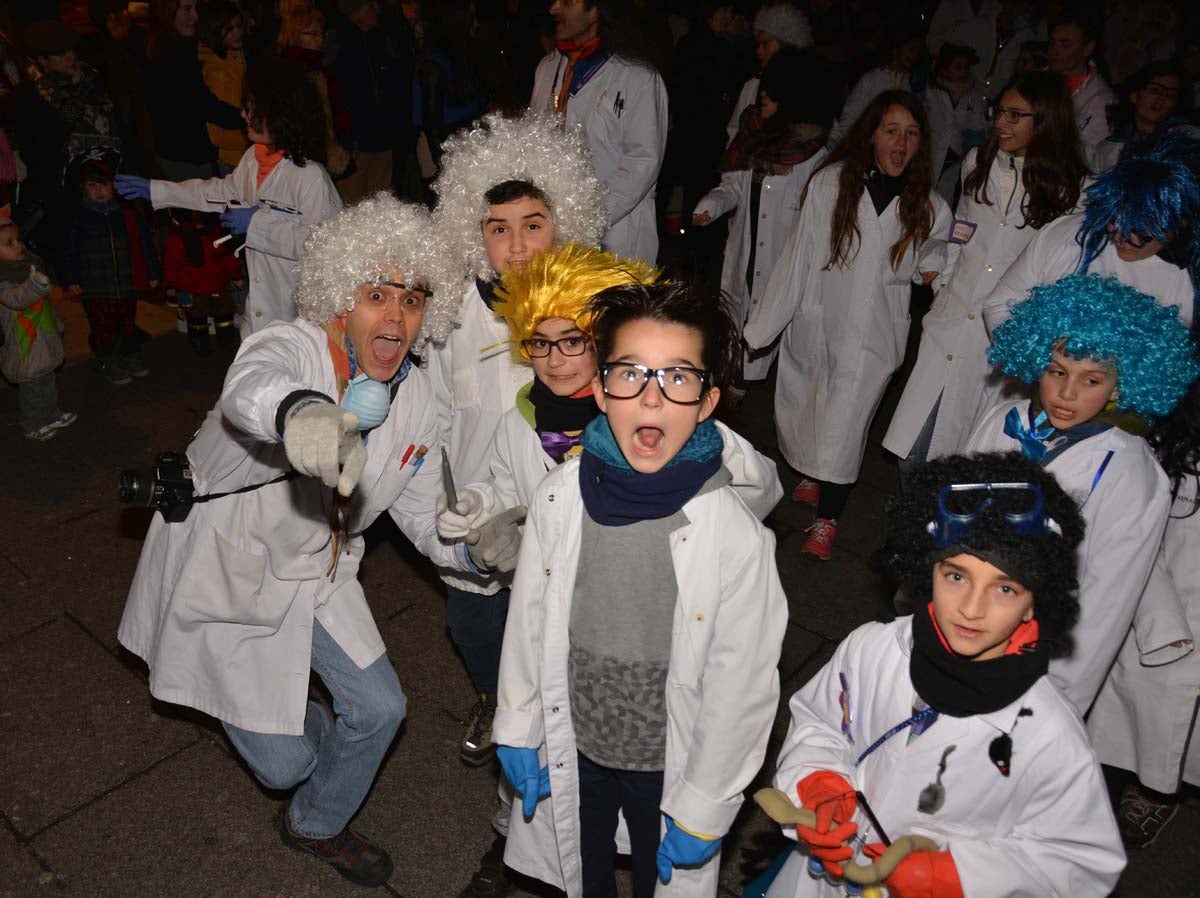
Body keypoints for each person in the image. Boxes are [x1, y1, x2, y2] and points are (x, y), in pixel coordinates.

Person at [117, 193, 470, 888]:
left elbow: (429, 521)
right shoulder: (294, 347)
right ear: (341, 301)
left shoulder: (421, 397)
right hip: (232, 571)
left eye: (413, 298)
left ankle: (314, 824)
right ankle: (277, 715)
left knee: (380, 710)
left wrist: (478, 552)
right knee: (290, 763)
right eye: (376, 294)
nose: (396, 315)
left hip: (323, 568)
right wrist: (302, 413)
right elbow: (253, 381)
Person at [493, 280, 789, 898]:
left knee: (660, 876)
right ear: (600, 387)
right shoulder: (561, 494)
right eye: (630, 374)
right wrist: (519, 722)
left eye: (678, 379)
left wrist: (708, 802)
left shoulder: (735, 539)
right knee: (584, 862)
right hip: (578, 734)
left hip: (666, 757)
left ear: (709, 400)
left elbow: (744, 685)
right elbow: (529, 615)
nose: (651, 401)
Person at [761, 451, 1125, 898]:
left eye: (1005, 588)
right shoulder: (873, 648)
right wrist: (818, 784)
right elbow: (822, 723)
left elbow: (1080, 862)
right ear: (927, 568)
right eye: (956, 576)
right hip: (824, 880)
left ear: (1035, 601)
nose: (972, 609)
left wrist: (958, 879)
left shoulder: (1052, 736)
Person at [426, 110, 607, 771]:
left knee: (558, 629)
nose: (518, 244)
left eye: (534, 224)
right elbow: (430, 409)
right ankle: (488, 694)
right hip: (480, 505)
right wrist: (446, 500)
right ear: (474, 233)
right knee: (473, 622)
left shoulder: (596, 304)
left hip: (567, 505)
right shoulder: (447, 312)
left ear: (565, 221)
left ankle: (554, 715)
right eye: (498, 229)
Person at [965, 273, 1200, 715]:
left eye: (1092, 381)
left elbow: (1105, 605)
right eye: (1057, 372)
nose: (1067, 393)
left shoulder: (1132, 471)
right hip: (957, 622)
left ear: (1121, 386)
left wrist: (1055, 705)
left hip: (1032, 654)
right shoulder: (1003, 418)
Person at [744, 91, 952, 560]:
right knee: (809, 407)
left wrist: (934, 266)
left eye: (912, 133)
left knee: (846, 424)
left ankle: (828, 520)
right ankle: (814, 475)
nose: (901, 142)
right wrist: (761, 329)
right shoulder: (832, 184)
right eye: (892, 130)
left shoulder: (931, 206)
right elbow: (797, 259)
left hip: (876, 335)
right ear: (872, 134)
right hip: (818, 319)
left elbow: (937, 253)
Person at [885, 71, 1088, 467]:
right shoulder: (978, 162)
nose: (1000, 122)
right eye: (1000, 111)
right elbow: (961, 234)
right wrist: (943, 284)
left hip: (1003, 342)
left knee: (968, 457)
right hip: (950, 323)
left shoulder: (1075, 191)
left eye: (1016, 115)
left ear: (1045, 121)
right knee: (913, 455)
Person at [115, 62, 342, 335]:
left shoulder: (310, 177)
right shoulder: (253, 159)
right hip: (260, 308)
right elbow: (217, 192)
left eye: (252, 107)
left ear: (282, 114)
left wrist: (256, 225)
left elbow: (326, 247)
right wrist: (157, 190)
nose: (243, 114)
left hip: (300, 316)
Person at [1087, 376, 1200, 849]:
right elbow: (1134, 533)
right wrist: (1160, 618)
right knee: (1119, 735)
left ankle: (1163, 794)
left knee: (1184, 749)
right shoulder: (1169, 437)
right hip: (1163, 617)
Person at [692, 46, 829, 394]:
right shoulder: (753, 137)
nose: (763, 96)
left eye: (774, 90)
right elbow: (733, 185)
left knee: (767, 342)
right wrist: (713, 203)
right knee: (734, 331)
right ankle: (730, 392)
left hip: (782, 267)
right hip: (744, 257)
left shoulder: (815, 158)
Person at [982, 131, 1200, 337]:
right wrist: (1038, 365)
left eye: (1138, 230)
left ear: (1179, 224)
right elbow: (1001, 303)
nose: (1120, 237)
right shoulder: (1068, 233)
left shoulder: (1189, 281)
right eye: (1113, 219)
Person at [529, 0, 668, 265]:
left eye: (567, 2)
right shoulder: (547, 69)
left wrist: (584, 217)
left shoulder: (637, 77)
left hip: (615, 241)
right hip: (552, 240)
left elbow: (642, 162)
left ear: (595, 11)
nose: (553, 8)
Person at [63, 157, 161, 384]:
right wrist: (70, 279)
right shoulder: (79, 218)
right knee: (103, 326)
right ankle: (108, 359)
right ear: (83, 189)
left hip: (126, 283)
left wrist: (152, 273)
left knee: (127, 322)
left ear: (114, 185)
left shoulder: (127, 215)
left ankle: (129, 355)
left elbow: (145, 244)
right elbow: (68, 251)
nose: (99, 191)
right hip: (95, 285)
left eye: (103, 184)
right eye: (92, 185)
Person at [145, 0, 244, 181]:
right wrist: (248, 119)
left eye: (196, 8)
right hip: (184, 157)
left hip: (189, 154)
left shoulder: (183, 46)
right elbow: (203, 105)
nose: (195, 17)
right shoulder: (169, 54)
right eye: (187, 10)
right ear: (167, 13)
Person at [0, 210, 75, 441]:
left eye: (18, 239)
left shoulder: (28, 267)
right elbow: (17, 298)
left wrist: (57, 325)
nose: (18, 245)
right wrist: (35, 285)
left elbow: (45, 308)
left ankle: (51, 414)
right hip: (23, 342)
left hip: (42, 337)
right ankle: (32, 423)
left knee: (47, 380)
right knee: (31, 387)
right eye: (8, 243)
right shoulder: (3, 279)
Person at [275, 8, 354, 181]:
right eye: (312, 34)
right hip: (307, 154)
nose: (320, 39)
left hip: (319, 150)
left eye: (321, 33)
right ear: (294, 35)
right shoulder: (296, 71)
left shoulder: (318, 66)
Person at [723, 2, 813, 146]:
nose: (759, 51)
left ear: (786, 44)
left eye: (765, 44)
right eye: (758, 44)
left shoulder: (807, 87)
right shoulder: (752, 85)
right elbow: (734, 132)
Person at [826, 23, 924, 147]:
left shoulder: (912, 85)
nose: (914, 56)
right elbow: (849, 116)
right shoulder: (873, 78)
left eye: (918, 52)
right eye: (911, 49)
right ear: (896, 50)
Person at [162, 209, 243, 352]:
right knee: (196, 319)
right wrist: (170, 283)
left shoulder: (218, 231)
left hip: (219, 284)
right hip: (192, 287)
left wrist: (236, 275)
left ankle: (226, 342)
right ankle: (199, 345)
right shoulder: (179, 234)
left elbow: (229, 255)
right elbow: (171, 261)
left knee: (224, 316)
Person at [926, 0, 1044, 96]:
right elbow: (936, 44)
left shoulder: (1026, 38)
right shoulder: (978, 26)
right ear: (1009, 4)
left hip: (994, 107)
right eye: (1025, 9)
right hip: (963, 100)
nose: (1027, 15)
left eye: (1030, 11)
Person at [1092, 61, 1192, 172]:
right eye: (1155, 90)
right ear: (1134, 95)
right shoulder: (1108, 149)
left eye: (1171, 95)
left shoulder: (1185, 144)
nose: (1162, 98)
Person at [923, 42, 988, 205]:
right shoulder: (931, 90)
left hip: (953, 158)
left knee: (943, 201)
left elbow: (978, 124)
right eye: (958, 67)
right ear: (945, 69)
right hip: (929, 151)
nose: (964, 71)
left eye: (966, 67)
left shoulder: (974, 95)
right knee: (921, 194)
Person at [1045, 7, 1116, 156]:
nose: (1054, 51)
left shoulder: (1102, 101)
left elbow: (1097, 159)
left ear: (1088, 48)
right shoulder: (1038, 79)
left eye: (1065, 45)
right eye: (1052, 43)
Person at [197, 0, 249, 174]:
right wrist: (252, 137)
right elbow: (216, 134)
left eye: (238, 26)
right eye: (229, 29)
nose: (237, 33)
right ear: (215, 30)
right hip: (233, 160)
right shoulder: (217, 71)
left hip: (244, 155)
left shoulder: (236, 57)